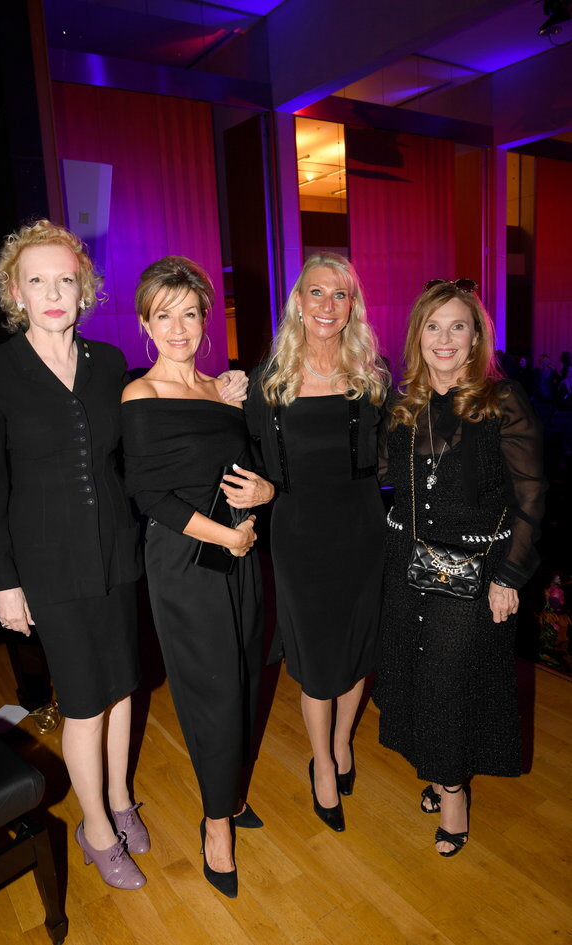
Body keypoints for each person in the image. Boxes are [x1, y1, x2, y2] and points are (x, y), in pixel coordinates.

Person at [0, 220, 148, 889]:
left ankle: (122, 798)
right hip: (46, 562)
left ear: (83, 288)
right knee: (83, 700)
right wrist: (4, 583)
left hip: (115, 550)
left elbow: (132, 452)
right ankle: (96, 827)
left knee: (123, 683)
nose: (52, 291)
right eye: (37, 280)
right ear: (15, 291)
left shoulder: (109, 363)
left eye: (65, 279)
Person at [373, 277, 546, 857]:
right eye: (433, 326)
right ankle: (437, 767)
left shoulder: (502, 402)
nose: (444, 338)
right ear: (417, 335)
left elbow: (531, 495)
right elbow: (372, 473)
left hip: (474, 575)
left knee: (452, 685)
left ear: (475, 339)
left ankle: (453, 797)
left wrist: (510, 577)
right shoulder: (405, 403)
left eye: (458, 326)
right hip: (407, 568)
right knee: (421, 679)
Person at [121, 256, 274, 898]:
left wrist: (266, 490)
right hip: (187, 561)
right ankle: (216, 825)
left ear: (206, 319)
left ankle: (229, 792)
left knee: (242, 676)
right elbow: (150, 495)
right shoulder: (141, 394)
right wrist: (228, 535)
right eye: (165, 315)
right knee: (210, 688)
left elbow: (252, 467)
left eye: (190, 313)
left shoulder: (224, 389)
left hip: (240, 555)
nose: (179, 327)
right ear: (145, 324)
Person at [244, 252, 389, 833]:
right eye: (316, 293)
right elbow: (249, 456)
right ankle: (322, 762)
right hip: (299, 534)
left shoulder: (371, 378)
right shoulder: (269, 381)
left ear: (352, 306)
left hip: (362, 529)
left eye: (341, 294)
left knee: (357, 650)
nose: (328, 305)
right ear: (298, 302)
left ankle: (343, 743)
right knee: (317, 658)